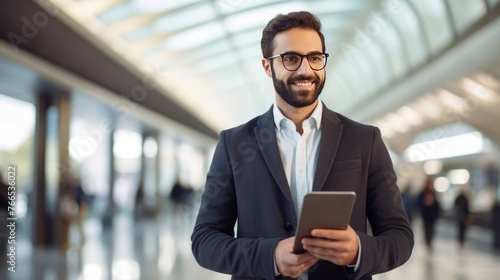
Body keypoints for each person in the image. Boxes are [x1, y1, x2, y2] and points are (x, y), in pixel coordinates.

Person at [191, 11, 413, 280]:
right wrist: (269, 256)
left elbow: (400, 236)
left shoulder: (365, 140)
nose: (306, 70)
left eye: (315, 58)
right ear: (267, 66)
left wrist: (359, 251)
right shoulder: (234, 143)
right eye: (291, 59)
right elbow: (204, 240)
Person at [417, 178, 440, 252]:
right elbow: (419, 203)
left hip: (432, 215)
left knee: (432, 229)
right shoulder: (423, 193)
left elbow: (437, 205)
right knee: (426, 229)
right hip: (426, 215)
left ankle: (430, 242)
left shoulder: (434, 193)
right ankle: (427, 242)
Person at [454, 185, 471, 250]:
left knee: (463, 230)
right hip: (459, 217)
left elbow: (468, 208)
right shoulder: (458, 198)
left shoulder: (466, 199)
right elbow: (455, 207)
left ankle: (462, 241)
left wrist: (468, 215)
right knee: (459, 230)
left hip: (464, 217)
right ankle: (459, 241)